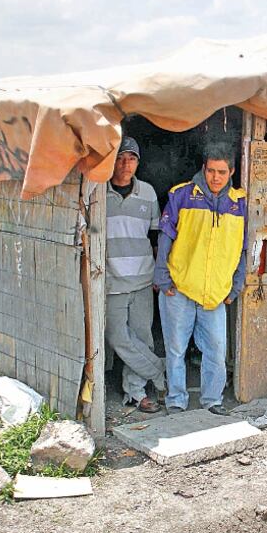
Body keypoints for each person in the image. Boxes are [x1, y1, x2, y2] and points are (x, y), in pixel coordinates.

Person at [153, 143, 247, 415]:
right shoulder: (181, 195)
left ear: (231, 171)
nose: (215, 177)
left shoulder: (239, 203)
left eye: (221, 172)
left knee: (216, 352)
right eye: (210, 171)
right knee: (176, 349)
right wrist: (163, 278)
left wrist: (237, 284)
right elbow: (166, 236)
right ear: (203, 169)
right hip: (180, 288)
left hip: (216, 292)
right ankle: (176, 401)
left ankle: (212, 401)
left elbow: (242, 247)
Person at [104, 136, 166, 413]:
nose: (126, 164)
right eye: (120, 158)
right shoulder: (97, 192)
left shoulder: (148, 193)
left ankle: (137, 393)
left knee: (142, 337)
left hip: (142, 277)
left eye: (131, 158)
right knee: (117, 337)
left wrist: (157, 274)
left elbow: (155, 237)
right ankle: (159, 370)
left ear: (138, 162)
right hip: (111, 280)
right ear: (111, 161)